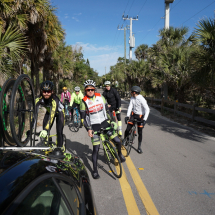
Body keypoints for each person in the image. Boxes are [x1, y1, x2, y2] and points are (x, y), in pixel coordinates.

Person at [80, 79, 126, 179]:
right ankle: (95, 170)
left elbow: (107, 110)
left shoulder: (100, 97)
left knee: (118, 141)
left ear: (94, 89)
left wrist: (112, 121)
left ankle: (119, 154)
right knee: (96, 149)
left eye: (92, 89)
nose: (90, 91)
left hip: (105, 123)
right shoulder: (84, 101)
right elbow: (83, 118)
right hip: (94, 126)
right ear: (85, 90)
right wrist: (88, 129)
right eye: (88, 90)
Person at [35, 80, 65, 154]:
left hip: (59, 113)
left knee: (59, 131)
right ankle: (49, 142)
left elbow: (52, 116)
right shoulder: (38, 99)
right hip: (49, 112)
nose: (46, 93)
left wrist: (46, 129)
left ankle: (60, 147)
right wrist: (32, 127)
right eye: (44, 91)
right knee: (44, 129)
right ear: (41, 91)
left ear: (52, 91)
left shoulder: (55, 100)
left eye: (48, 91)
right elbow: (34, 114)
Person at [124, 86, 150, 154]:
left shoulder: (142, 99)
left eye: (131, 92)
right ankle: (125, 139)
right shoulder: (132, 98)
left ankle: (139, 147)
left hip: (141, 116)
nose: (131, 93)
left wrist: (144, 120)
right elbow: (130, 107)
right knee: (127, 129)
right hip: (133, 115)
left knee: (140, 132)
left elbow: (147, 109)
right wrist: (127, 116)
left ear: (134, 92)